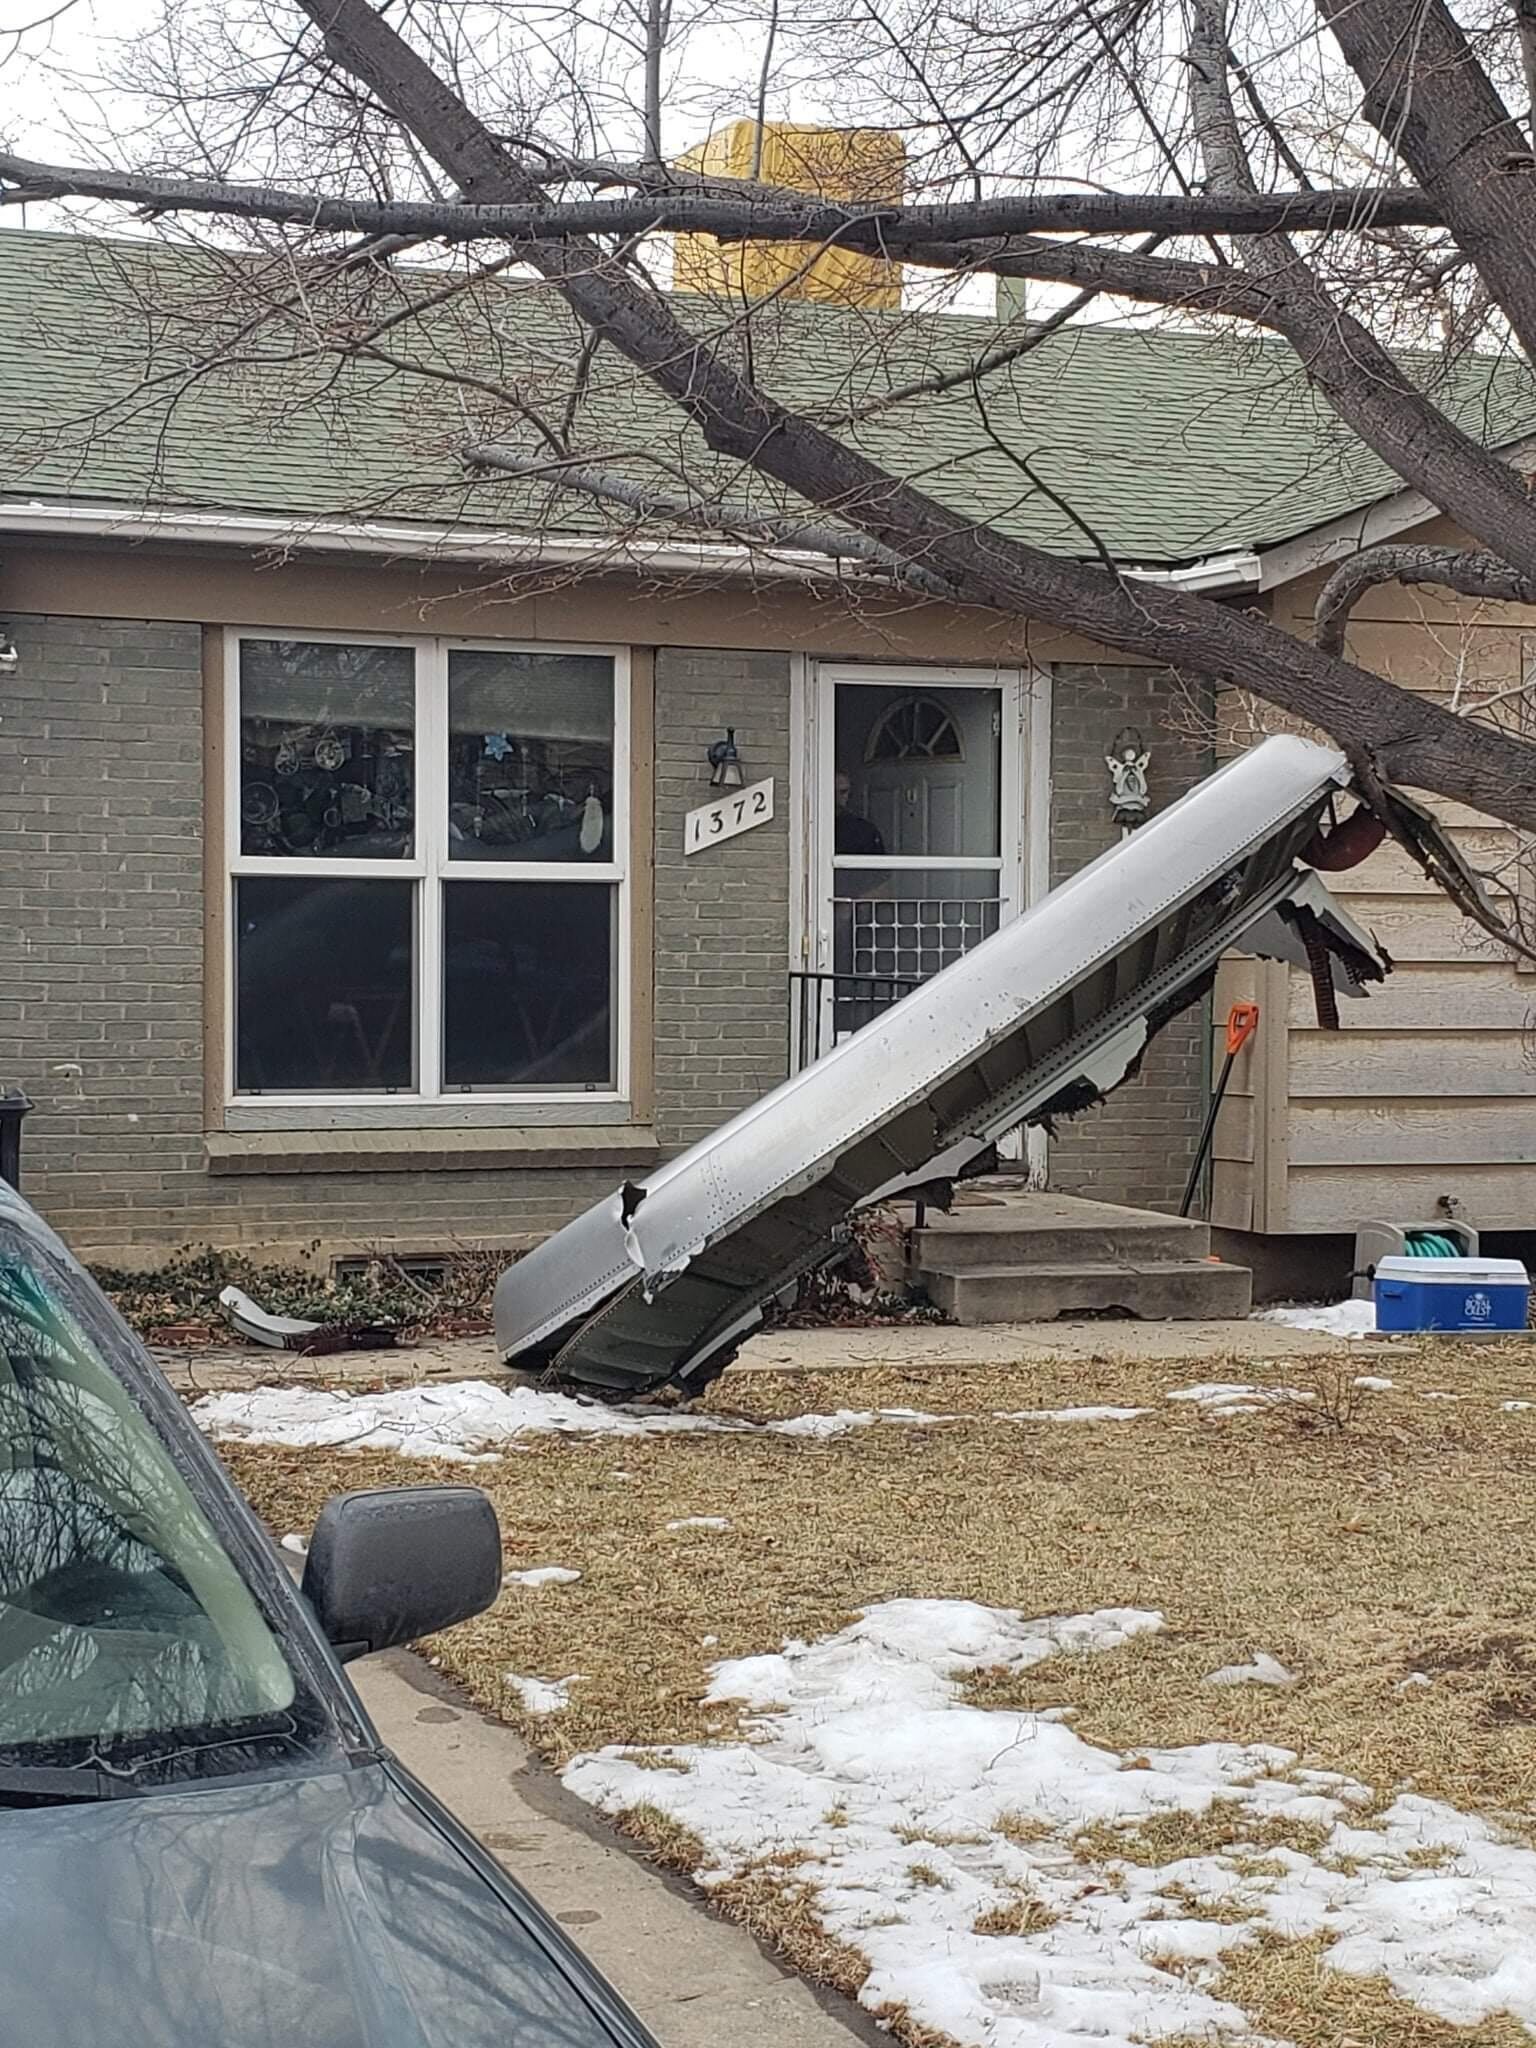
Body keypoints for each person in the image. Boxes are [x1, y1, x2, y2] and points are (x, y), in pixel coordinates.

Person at [834, 770, 885, 857]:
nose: (846, 796)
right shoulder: (816, 828)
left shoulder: (864, 830)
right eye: (842, 792)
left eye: (846, 792)